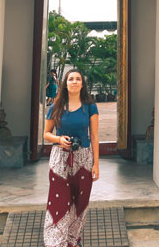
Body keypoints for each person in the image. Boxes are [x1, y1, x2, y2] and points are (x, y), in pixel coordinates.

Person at [43, 69, 100, 247]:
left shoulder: (90, 107)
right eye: (71, 79)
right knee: (59, 202)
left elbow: (95, 137)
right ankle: (56, 243)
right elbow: (46, 134)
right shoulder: (56, 107)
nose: (74, 82)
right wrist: (59, 139)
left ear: (82, 84)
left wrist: (96, 164)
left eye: (78, 79)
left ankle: (73, 241)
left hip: (83, 159)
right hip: (60, 159)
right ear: (65, 83)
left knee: (80, 203)